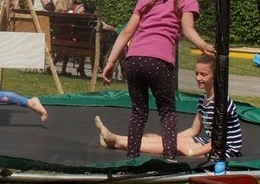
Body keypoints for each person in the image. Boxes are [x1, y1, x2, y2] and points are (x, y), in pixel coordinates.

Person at [100, 0, 215, 160]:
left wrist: (111, 61)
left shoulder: (145, 2)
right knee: (167, 110)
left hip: (133, 60)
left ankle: (131, 156)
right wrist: (203, 45)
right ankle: (169, 157)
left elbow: (126, 32)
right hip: (158, 61)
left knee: (139, 111)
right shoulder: (185, 2)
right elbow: (188, 30)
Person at [95, 53, 242, 158]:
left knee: (175, 145)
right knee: (157, 138)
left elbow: (218, 142)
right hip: (208, 142)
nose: (198, 78)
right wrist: (167, 138)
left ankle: (115, 140)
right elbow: (193, 131)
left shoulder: (221, 104)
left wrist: (191, 153)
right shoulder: (203, 100)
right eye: (196, 73)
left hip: (225, 149)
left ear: (216, 76)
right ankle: (113, 141)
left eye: (204, 75)